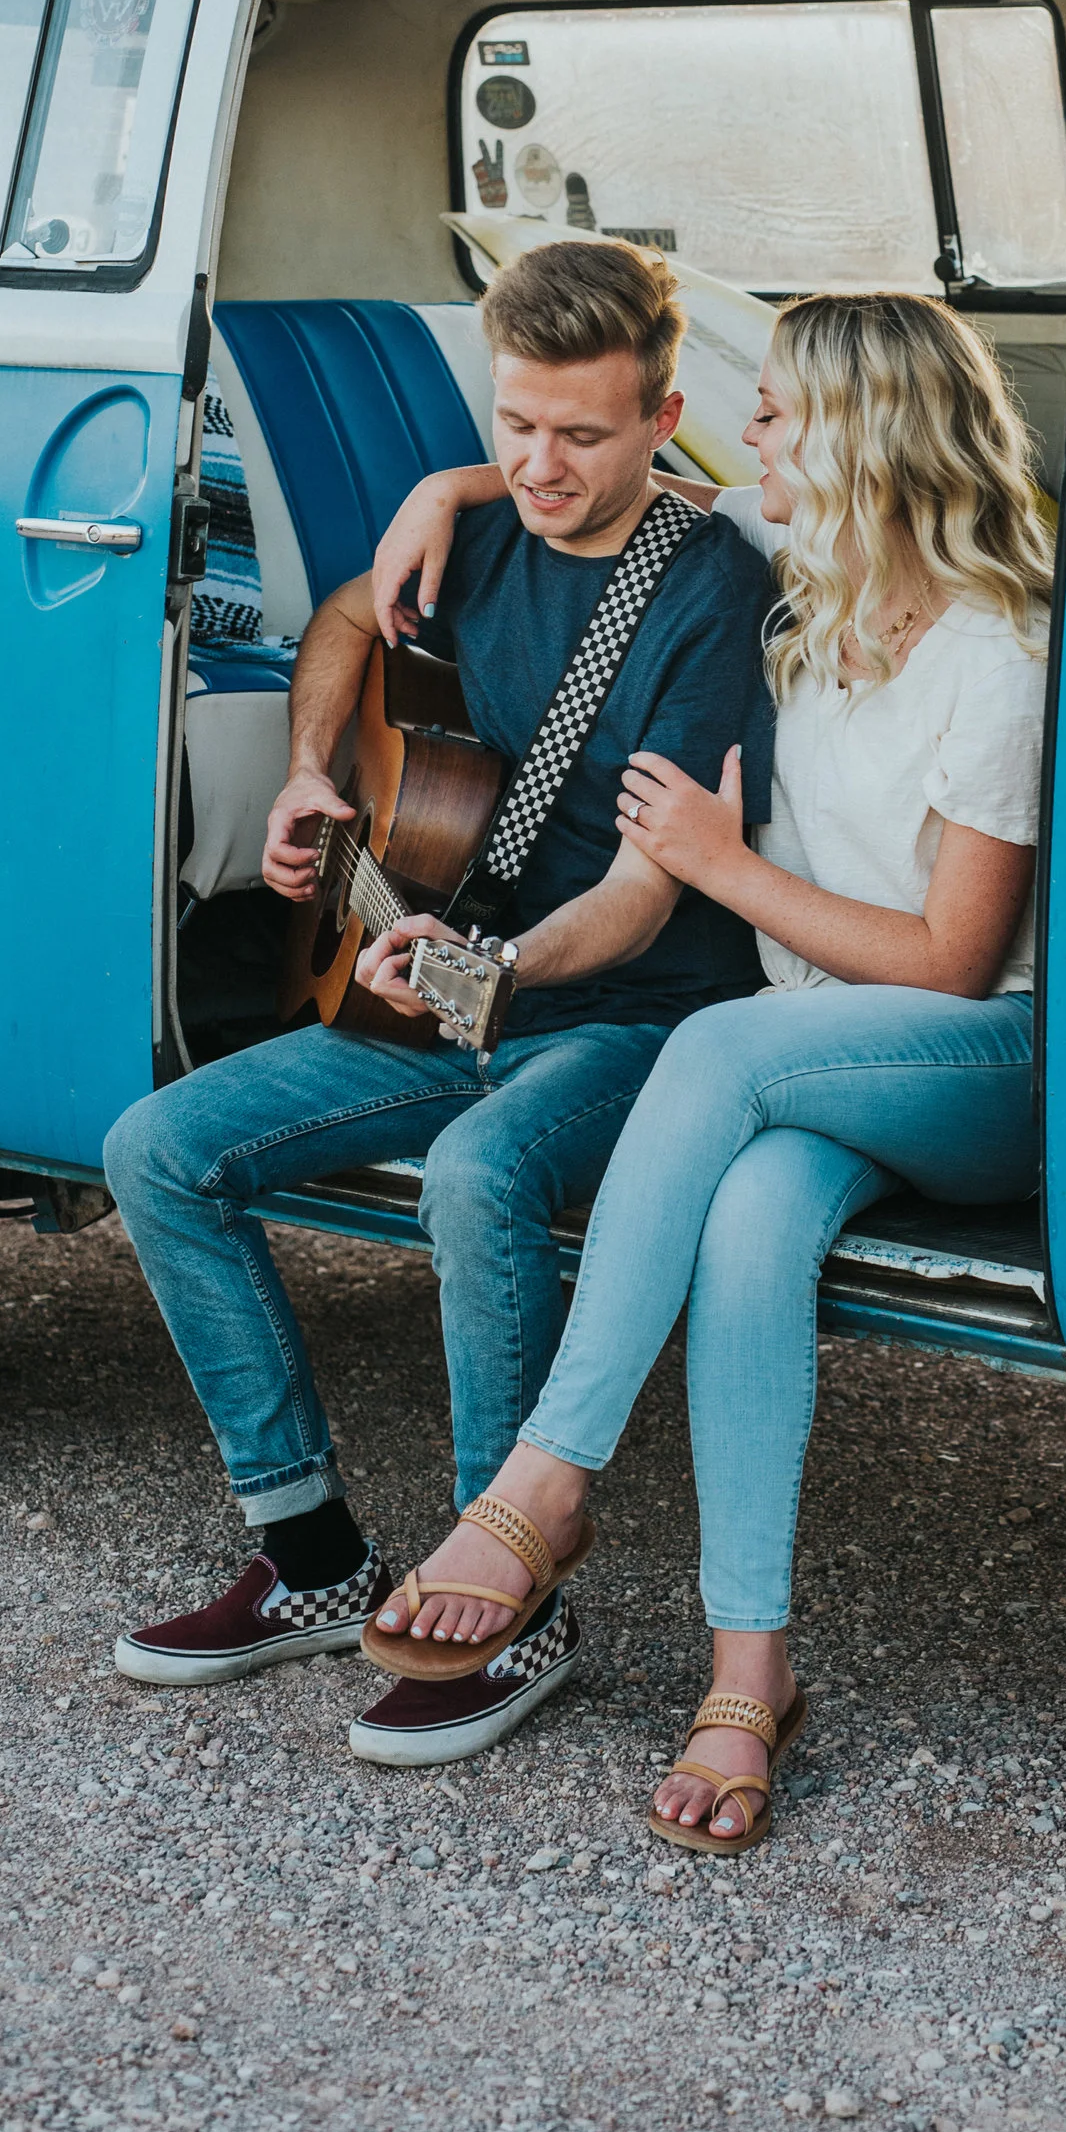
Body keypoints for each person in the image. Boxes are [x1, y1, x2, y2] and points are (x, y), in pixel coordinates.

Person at [362, 292, 1050, 1845]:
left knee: (718, 1038)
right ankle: (752, 1673)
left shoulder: (998, 650)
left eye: (779, 413)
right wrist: (444, 491)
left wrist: (723, 869)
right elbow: (607, 479)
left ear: (864, 439)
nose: (752, 437)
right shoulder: (809, 574)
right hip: (815, 1058)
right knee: (749, 1230)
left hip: (973, 1063)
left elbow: (953, 959)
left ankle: (544, 1479)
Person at [101, 239, 775, 1753]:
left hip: (629, 1018)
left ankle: (510, 1590)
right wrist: (309, 776)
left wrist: (498, 971)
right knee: (159, 1149)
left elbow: (647, 891)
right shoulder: (474, 528)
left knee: (480, 1173)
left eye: (580, 435)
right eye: (514, 426)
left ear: (665, 422)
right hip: (446, 991)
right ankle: (312, 1559)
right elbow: (345, 623)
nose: (538, 465)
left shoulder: (707, 590)